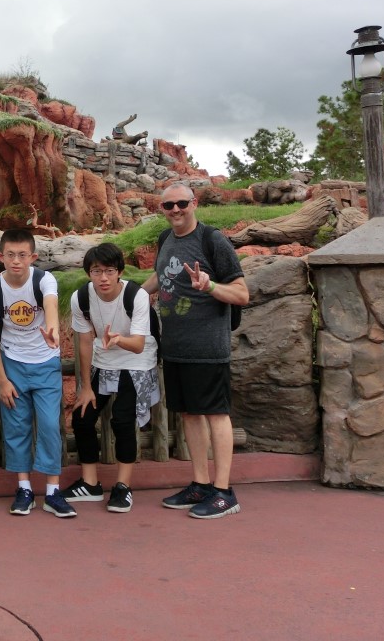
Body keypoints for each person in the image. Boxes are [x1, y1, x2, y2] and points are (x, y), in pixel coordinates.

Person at [142, 183, 249, 519]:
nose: (175, 210)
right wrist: (131, 297)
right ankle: (201, 484)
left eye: (181, 203)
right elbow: (159, 276)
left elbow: (242, 293)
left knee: (216, 414)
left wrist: (210, 285)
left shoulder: (212, 239)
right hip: (175, 347)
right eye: (168, 205)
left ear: (194, 203)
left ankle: (224, 491)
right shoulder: (165, 238)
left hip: (208, 348)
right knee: (189, 415)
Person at [0, 228, 76, 518]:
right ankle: (24, 489)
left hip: (45, 361)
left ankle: (52, 491)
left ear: (33, 257)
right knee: (16, 426)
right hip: (13, 362)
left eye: (22, 255)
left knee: (49, 425)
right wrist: (2, 380)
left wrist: (52, 330)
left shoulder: (43, 279)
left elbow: (50, 303)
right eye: (10, 255)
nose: (16, 261)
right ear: (0, 256)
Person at [64, 242, 160, 513]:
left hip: (137, 360)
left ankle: (122, 486)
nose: (103, 278)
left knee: (122, 419)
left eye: (109, 271)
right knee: (82, 417)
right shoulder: (81, 298)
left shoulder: (136, 295)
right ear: (88, 273)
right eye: (96, 271)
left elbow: (138, 344)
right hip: (104, 358)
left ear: (119, 271)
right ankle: (90, 483)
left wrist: (118, 340)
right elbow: (84, 341)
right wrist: (85, 387)